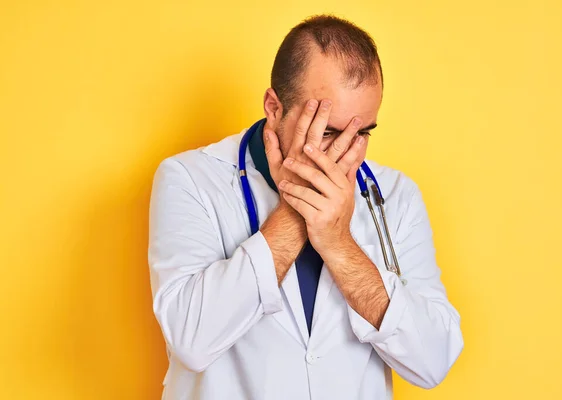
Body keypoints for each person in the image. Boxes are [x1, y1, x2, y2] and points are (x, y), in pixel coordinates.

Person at [148, 14, 463, 400]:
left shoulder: (396, 195)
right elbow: (191, 340)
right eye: (327, 130)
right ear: (274, 107)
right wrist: (296, 212)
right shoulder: (189, 178)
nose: (344, 151)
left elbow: (433, 360)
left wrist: (339, 243)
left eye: (362, 132)